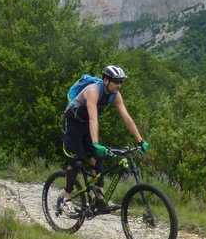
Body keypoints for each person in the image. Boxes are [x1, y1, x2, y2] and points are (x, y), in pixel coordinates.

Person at [61, 65, 149, 214]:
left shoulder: (115, 94)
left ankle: (99, 200)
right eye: (116, 82)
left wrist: (140, 140)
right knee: (76, 161)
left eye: (121, 82)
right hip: (73, 123)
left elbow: (126, 118)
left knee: (98, 157)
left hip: (87, 125)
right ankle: (66, 199)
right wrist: (96, 143)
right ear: (106, 80)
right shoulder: (93, 91)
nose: (119, 85)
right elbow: (93, 119)